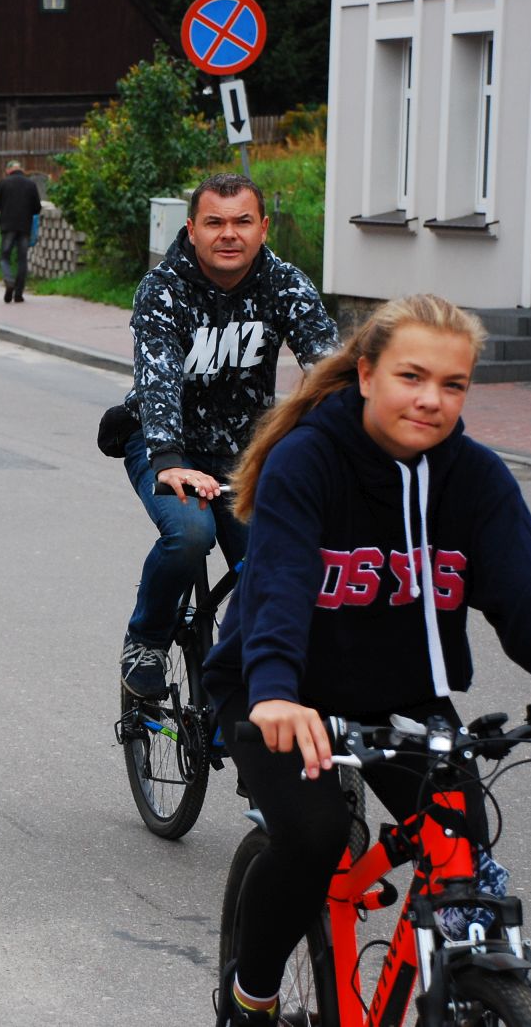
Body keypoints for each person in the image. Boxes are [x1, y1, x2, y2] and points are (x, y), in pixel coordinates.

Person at [204, 293, 531, 1025]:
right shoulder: (308, 460)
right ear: (366, 374)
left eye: (453, 385)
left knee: (460, 838)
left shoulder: (474, 478)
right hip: (274, 688)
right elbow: (279, 591)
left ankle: (452, 994)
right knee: (313, 835)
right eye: (411, 376)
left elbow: (530, 605)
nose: (431, 399)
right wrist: (275, 694)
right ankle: (250, 998)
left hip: (398, 695)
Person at [112, 172, 338, 702]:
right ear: (193, 229)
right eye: (215, 222)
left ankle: (250, 674)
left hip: (245, 453)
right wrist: (169, 458)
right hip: (165, 444)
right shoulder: (163, 289)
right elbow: (159, 378)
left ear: (263, 228)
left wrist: (354, 442)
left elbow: (330, 371)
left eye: (242, 222)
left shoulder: (285, 284)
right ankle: (146, 640)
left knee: (276, 558)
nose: (229, 234)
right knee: (190, 536)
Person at [0, 160, 40, 303]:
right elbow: (37, 208)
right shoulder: (31, 184)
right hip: (24, 227)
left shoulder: (4, 183)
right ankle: (18, 294)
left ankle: (9, 280)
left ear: (8, 170)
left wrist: (4, 206)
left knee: (4, 257)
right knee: (22, 259)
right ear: (21, 169)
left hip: (7, 227)